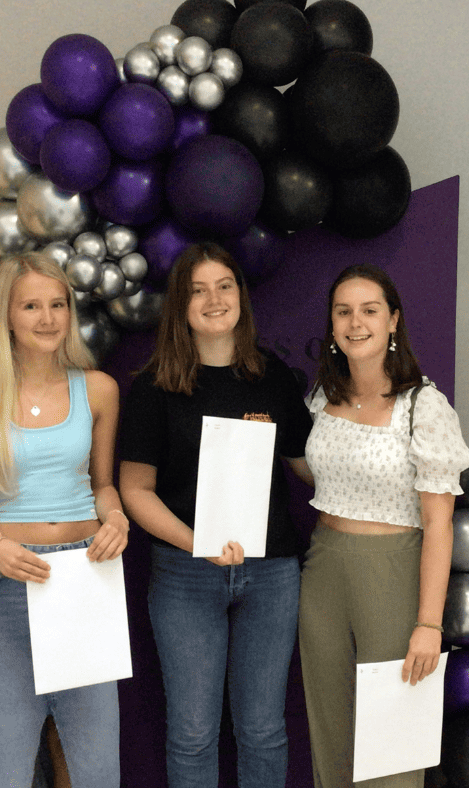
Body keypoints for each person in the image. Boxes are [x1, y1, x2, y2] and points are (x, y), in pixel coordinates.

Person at [119, 242, 313, 788]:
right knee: (192, 734)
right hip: (185, 575)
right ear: (180, 304)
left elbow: (305, 467)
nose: (213, 299)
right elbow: (135, 490)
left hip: (272, 573)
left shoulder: (271, 376)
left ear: (241, 297)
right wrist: (194, 540)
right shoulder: (153, 386)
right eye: (197, 290)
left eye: (224, 285)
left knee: (263, 730)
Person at [0, 252, 127, 788]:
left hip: (83, 578)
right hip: (2, 585)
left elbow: (103, 486)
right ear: (6, 314)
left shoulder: (97, 388)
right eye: (31, 306)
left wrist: (116, 519)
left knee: (97, 765)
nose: (47, 318)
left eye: (58, 304)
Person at [298, 264, 469, 788]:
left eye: (370, 310)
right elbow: (318, 469)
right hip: (324, 566)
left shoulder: (424, 407)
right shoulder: (321, 400)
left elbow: (439, 526)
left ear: (393, 320)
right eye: (343, 311)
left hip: (395, 572)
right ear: (332, 325)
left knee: (394, 737)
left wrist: (428, 624)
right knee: (330, 727)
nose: (356, 322)